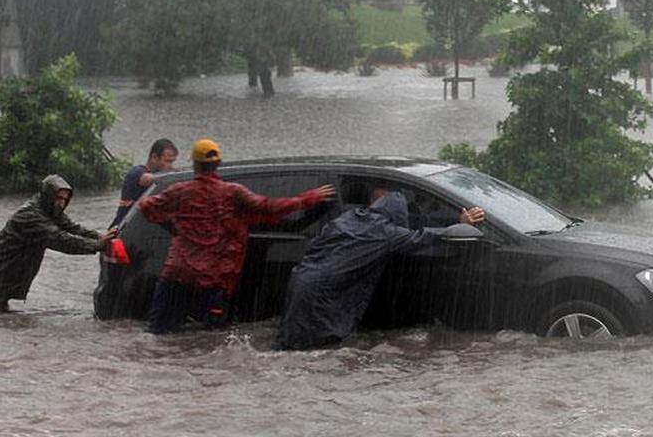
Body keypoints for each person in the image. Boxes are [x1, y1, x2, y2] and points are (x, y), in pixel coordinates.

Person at [137, 138, 335, 334]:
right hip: (212, 280)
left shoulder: (179, 191)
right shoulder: (233, 193)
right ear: (218, 165)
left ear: (195, 164)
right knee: (213, 340)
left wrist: (176, 229)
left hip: (177, 276)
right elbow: (270, 207)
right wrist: (306, 199)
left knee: (158, 334)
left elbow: (146, 206)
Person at [275, 189, 485, 351]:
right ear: (397, 214)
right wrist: (459, 225)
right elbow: (421, 238)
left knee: (292, 343)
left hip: (301, 279)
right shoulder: (384, 232)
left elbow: (318, 243)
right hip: (325, 293)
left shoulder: (349, 218)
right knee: (319, 347)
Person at [0, 175, 117, 311]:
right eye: (58, 198)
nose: (61, 203)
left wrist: (100, 236)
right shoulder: (31, 215)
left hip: (8, 271)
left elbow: (72, 228)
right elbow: (60, 239)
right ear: (48, 196)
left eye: (65, 200)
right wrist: (97, 245)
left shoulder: (49, 210)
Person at [109, 138, 178, 228]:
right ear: (154, 157)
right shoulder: (136, 172)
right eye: (168, 161)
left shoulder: (160, 179)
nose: (171, 166)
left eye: (172, 162)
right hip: (122, 229)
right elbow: (146, 179)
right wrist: (177, 177)